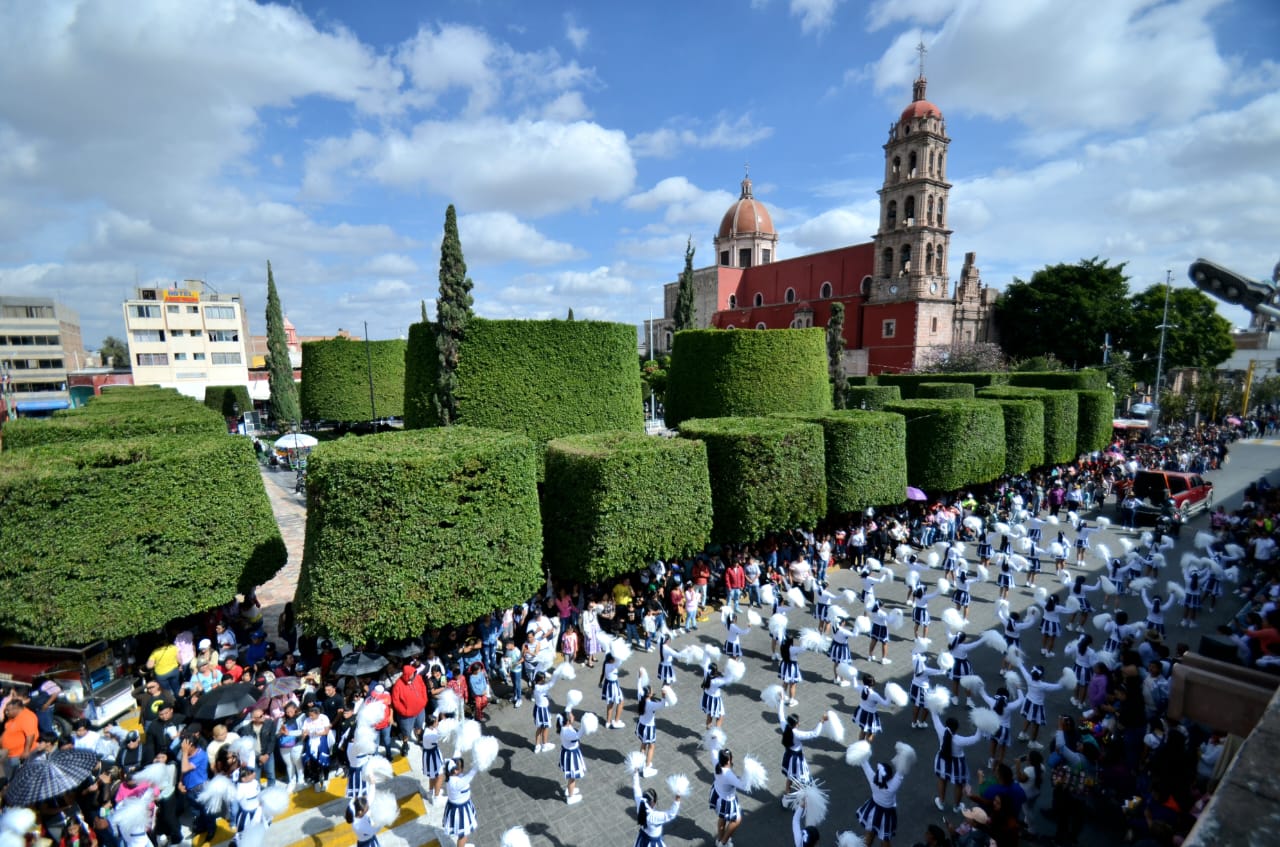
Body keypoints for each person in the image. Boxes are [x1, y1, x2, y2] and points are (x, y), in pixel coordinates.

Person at [931, 710, 981, 813]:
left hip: (943, 760)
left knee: (942, 779)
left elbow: (935, 716)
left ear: (946, 725)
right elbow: (976, 738)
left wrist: (933, 705)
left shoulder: (941, 731)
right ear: (957, 729)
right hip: (957, 764)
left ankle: (941, 802)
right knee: (959, 784)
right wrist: (980, 725)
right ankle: (957, 806)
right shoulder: (959, 740)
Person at [855, 755, 906, 847]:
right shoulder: (892, 787)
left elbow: (865, 764)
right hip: (886, 815)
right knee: (885, 839)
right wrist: (904, 755)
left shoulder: (873, 779)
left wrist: (862, 745)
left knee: (869, 832)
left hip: (872, 810)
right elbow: (900, 774)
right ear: (890, 777)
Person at [777, 700, 825, 794]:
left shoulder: (785, 726)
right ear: (795, 724)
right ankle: (801, 797)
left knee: (790, 776)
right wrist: (821, 722)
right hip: (797, 759)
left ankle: (787, 794)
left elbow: (780, 714)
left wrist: (781, 700)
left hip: (788, 755)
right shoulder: (797, 733)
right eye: (798, 722)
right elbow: (814, 734)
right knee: (801, 778)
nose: (799, 724)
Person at [632, 764, 682, 847]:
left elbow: (636, 788)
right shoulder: (654, 817)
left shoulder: (640, 805)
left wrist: (635, 773)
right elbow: (671, 814)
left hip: (642, 839)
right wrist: (678, 797)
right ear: (653, 803)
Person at [636, 684, 675, 777]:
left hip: (641, 725)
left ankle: (641, 763)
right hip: (648, 728)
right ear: (649, 694)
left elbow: (639, 687)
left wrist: (640, 678)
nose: (653, 691)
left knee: (643, 744)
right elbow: (662, 705)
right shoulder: (651, 704)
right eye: (651, 691)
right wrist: (664, 696)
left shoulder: (640, 698)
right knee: (651, 747)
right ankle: (647, 768)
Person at [442, 756, 480, 847]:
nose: (462, 769)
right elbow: (471, 775)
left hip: (456, 807)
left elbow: (456, 756)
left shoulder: (450, 777)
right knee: (463, 834)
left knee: (462, 833)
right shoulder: (457, 783)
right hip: (461, 811)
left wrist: (458, 747)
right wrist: (479, 762)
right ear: (455, 771)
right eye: (461, 767)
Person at [555, 710, 587, 805]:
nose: (573, 716)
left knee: (571, 777)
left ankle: (570, 790)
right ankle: (571, 797)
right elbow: (578, 735)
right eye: (571, 716)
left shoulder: (565, 727)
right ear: (568, 721)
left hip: (569, 753)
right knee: (572, 777)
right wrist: (585, 725)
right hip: (571, 756)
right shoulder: (567, 732)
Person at [600, 651, 626, 730]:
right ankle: (616, 721)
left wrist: (600, 682)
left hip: (608, 684)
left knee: (610, 704)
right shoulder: (612, 666)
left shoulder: (606, 664)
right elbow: (621, 660)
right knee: (621, 701)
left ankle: (608, 722)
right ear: (611, 660)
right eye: (614, 658)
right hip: (613, 686)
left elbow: (602, 674)